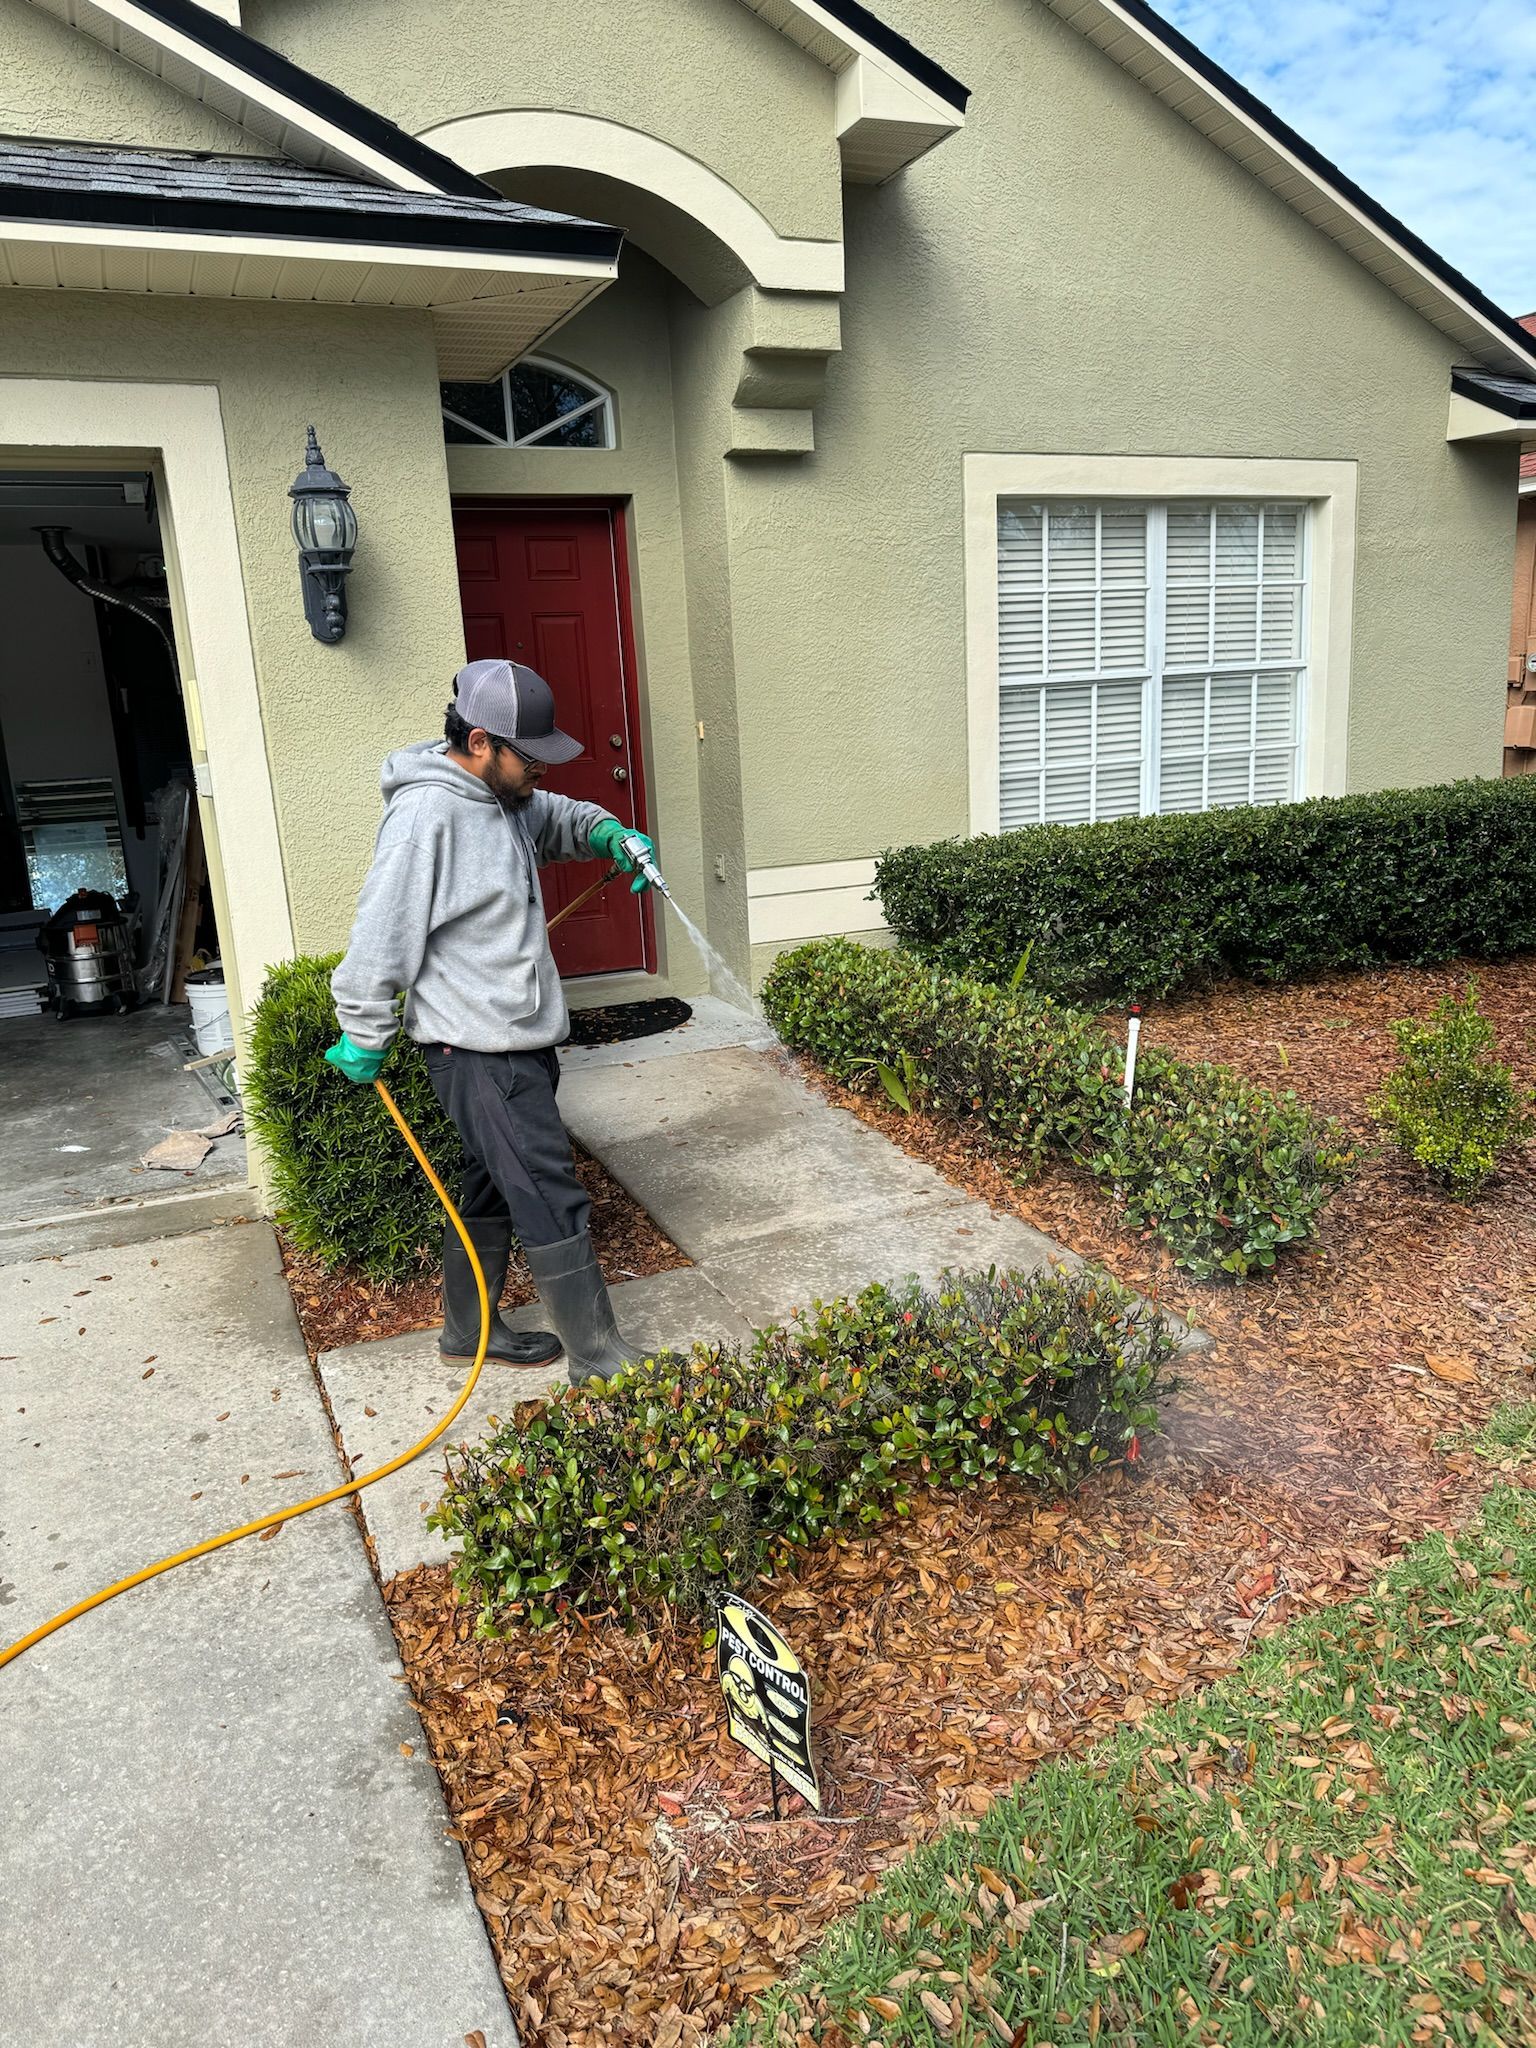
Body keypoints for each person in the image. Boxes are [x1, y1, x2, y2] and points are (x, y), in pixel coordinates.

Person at [323, 656, 657, 1383]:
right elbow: (381, 932)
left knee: (490, 1188)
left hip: (513, 1044)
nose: (540, 770)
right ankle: (598, 1358)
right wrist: (364, 1028)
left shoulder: (502, 798)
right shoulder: (425, 818)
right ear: (481, 742)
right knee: (549, 1195)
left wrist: (608, 834)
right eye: (529, 757)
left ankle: (468, 1332)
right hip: (481, 1056)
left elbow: (558, 816)